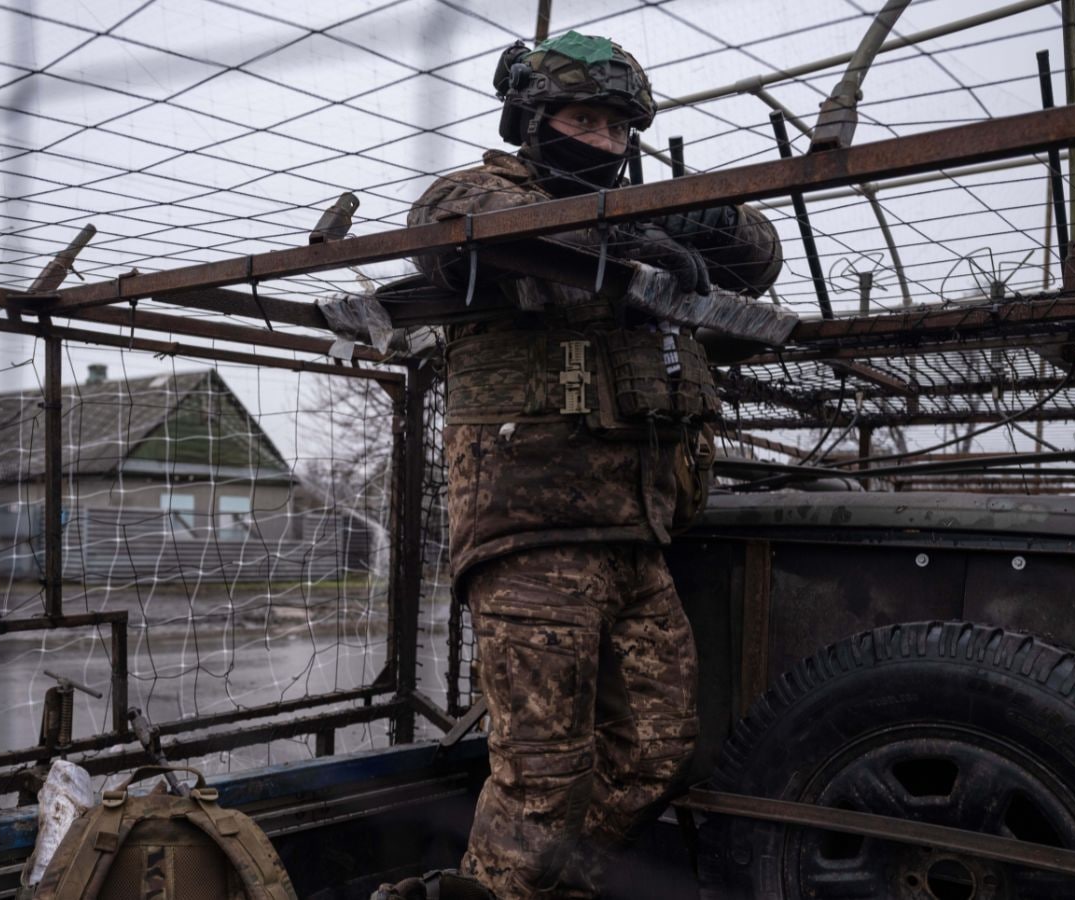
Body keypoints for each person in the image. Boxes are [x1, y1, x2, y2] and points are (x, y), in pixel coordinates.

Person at [375, 31, 783, 900]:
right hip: (533, 536)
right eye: (581, 119)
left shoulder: (640, 208)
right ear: (532, 119)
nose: (601, 141)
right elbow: (452, 230)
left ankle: (539, 889)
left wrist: (685, 225)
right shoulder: (485, 190)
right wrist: (636, 238)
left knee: (659, 750)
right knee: (543, 772)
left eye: (615, 127)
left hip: (635, 532)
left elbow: (756, 243)